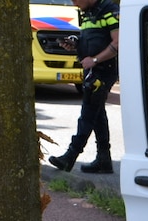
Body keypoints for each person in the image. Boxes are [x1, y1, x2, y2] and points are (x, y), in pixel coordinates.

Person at [48, 0, 120, 174]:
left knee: (88, 113)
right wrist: (76, 43)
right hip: (92, 71)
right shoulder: (88, 13)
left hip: (103, 70)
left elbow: (118, 42)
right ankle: (104, 159)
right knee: (97, 113)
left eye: (76, 0)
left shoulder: (109, 10)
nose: (75, 3)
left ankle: (70, 156)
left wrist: (95, 60)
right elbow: (93, 40)